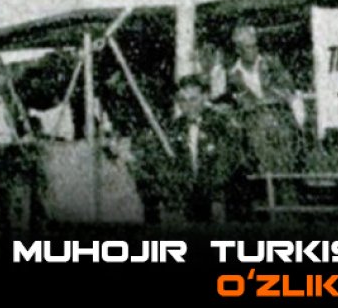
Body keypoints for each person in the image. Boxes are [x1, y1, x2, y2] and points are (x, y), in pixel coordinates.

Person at [129, 75, 251, 224]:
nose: (188, 105)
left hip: (222, 200)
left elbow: (225, 165)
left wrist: (206, 194)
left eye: (193, 99)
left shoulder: (223, 125)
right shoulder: (172, 130)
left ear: (204, 97)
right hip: (188, 203)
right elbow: (166, 166)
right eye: (183, 100)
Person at [227, 24, 304, 174]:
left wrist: (269, 99)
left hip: (280, 118)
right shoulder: (232, 75)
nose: (254, 50)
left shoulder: (271, 64)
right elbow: (236, 103)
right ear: (238, 50)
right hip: (253, 125)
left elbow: (288, 89)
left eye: (255, 45)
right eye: (249, 47)